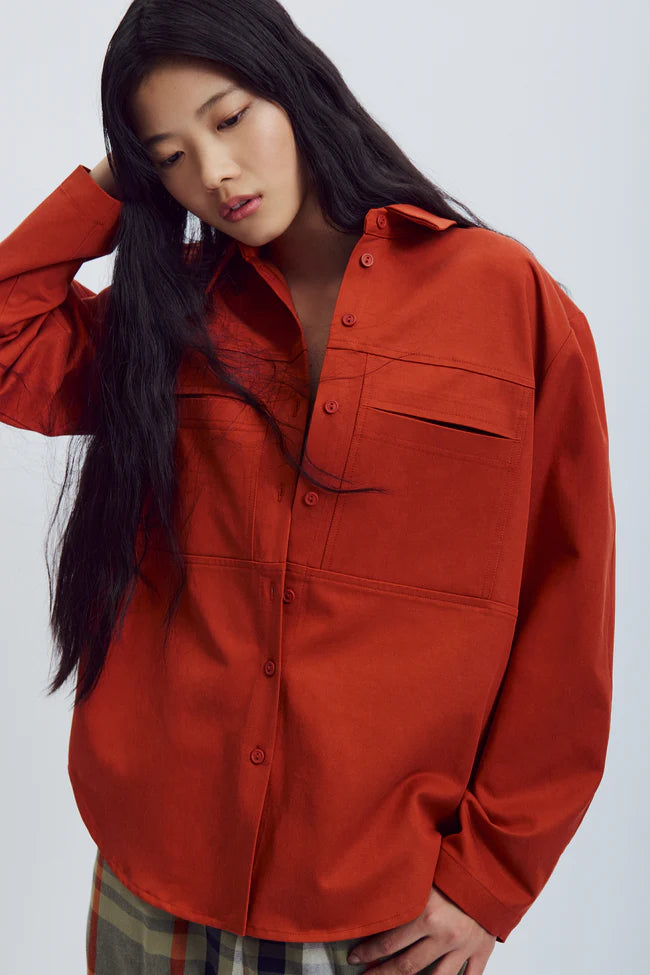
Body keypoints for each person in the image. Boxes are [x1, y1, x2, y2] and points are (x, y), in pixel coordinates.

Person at [0, 1, 616, 973]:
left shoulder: (505, 299)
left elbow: (567, 603)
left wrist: (490, 880)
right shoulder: (170, 313)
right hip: (154, 870)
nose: (214, 173)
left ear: (296, 85)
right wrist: (118, 175)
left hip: (377, 908)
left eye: (229, 117)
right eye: (172, 156)